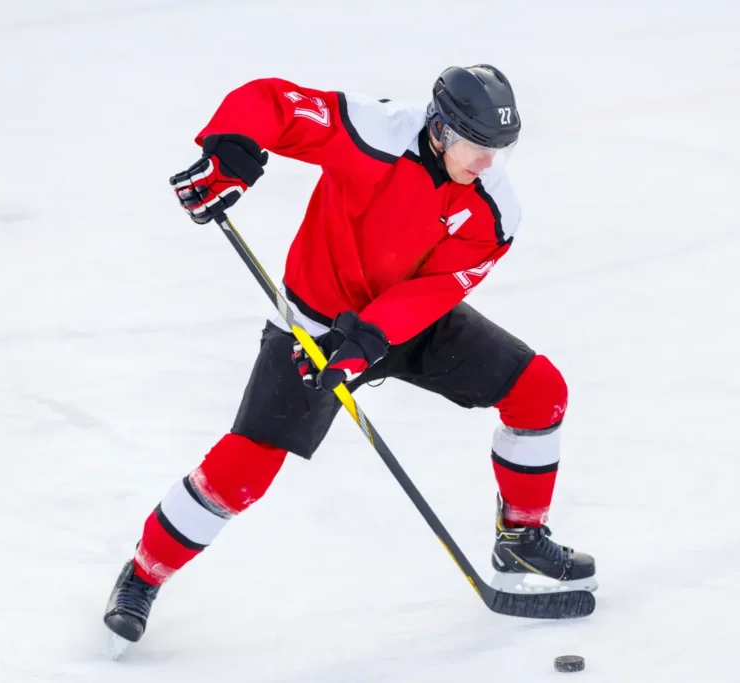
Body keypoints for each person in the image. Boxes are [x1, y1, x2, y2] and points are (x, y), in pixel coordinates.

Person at [102, 64, 595, 644]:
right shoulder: (374, 131)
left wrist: (370, 341)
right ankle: (142, 575)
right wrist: (230, 154)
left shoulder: (495, 209)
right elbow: (274, 103)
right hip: (314, 324)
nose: (487, 163)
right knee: (244, 469)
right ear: (438, 129)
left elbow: (435, 289)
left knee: (539, 392)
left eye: (500, 151)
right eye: (476, 146)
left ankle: (520, 539)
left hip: (407, 319)